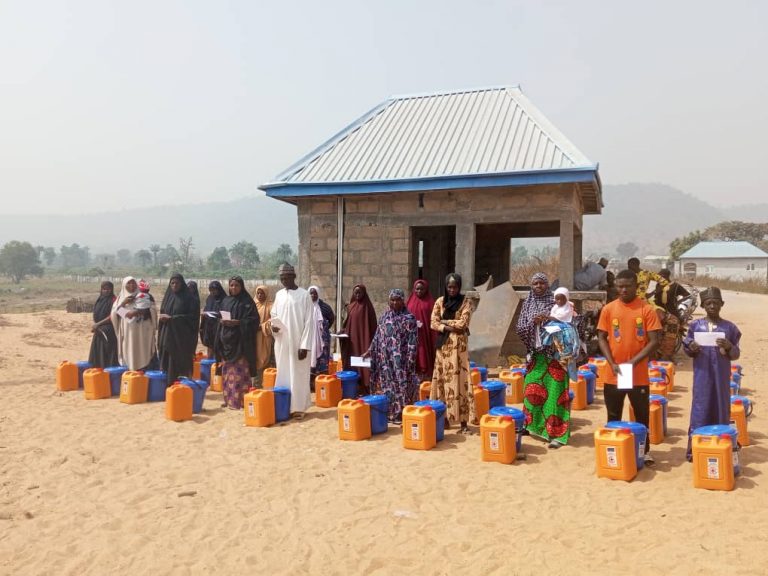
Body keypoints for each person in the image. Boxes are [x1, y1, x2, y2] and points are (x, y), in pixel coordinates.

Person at [597, 269, 662, 465]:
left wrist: (633, 362)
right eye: (620, 286)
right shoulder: (608, 309)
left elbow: (654, 341)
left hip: (637, 373)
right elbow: (601, 337)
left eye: (627, 286)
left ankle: (644, 451)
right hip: (614, 372)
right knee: (614, 414)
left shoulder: (646, 309)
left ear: (636, 286)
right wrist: (612, 363)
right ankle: (614, 451)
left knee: (641, 414)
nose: (623, 290)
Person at [683, 287, 741, 460]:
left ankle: (721, 445)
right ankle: (695, 449)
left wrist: (729, 346)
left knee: (721, 407)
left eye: (716, 303)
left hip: (721, 377)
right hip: (702, 376)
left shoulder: (729, 327)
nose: (712, 306)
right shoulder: (695, 326)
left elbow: (736, 354)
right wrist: (691, 347)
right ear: (702, 305)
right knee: (700, 408)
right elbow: (688, 350)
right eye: (708, 303)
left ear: (722, 304)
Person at [515, 273, 571, 448]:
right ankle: (531, 425)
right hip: (535, 356)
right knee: (532, 391)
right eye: (535, 283)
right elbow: (520, 327)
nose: (538, 286)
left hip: (554, 356)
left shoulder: (558, 302)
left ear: (547, 285)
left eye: (542, 283)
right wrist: (534, 323)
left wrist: (547, 320)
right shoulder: (527, 304)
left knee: (555, 394)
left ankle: (556, 434)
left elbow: (568, 324)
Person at [364, 288, 419, 424]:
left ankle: (400, 413)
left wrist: (410, 360)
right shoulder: (384, 317)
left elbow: (413, 341)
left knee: (401, 386)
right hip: (385, 359)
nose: (394, 303)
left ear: (403, 301)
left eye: (398, 300)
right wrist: (370, 350)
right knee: (387, 385)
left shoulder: (409, 318)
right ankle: (389, 412)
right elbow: (377, 336)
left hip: (401, 361)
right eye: (392, 300)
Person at [430, 273, 474, 433]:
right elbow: (433, 323)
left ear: (459, 287)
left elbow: (464, 323)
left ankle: (463, 423)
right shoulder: (440, 302)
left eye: (455, 286)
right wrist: (448, 327)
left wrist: (444, 322)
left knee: (460, 382)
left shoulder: (466, 301)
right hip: (443, 348)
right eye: (449, 287)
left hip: (458, 349)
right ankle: (445, 419)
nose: (452, 289)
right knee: (443, 381)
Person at [271, 264, 314, 417]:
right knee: (283, 374)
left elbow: (309, 322)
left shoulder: (304, 295)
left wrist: (304, 346)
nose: (284, 281)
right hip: (282, 343)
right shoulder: (279, 295)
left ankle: (299, 408)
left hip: (298, 344)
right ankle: (284, 407)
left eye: (287, 278)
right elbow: (273, 315)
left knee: (298, 375)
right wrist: (273, 328)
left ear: (294, 277)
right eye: (282, 278)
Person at [215, 276, 259, 409]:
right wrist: (222, 321)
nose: (233, 288)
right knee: (227, 374)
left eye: (236, 286)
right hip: (227, 342)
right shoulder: (226, 301)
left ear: (241, 287)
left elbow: (254, 320)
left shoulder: (247, 302)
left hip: (241, 343)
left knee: (240, 373)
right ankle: (228, 399)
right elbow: (219, 316)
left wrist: (238, 323)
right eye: (231, 285)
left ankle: (240, 401)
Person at [157, 273, 199, 386]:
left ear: (182, 284)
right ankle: (169, 388)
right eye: (172, 283)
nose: (174, 285)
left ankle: (182, 388)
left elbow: (193, 318)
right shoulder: (168, 297)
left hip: (181, 339)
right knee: (167, 362)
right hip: (167, 335)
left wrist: (173, 319)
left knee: (180, 362)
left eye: (177, 283)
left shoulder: (189, 299)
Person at [111, 276, 158, 371]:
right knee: (129, 352)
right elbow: (115, 313)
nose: (131, 285)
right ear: (124, 285)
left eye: (133, 283)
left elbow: (152, 310)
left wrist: (140, 311)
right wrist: (124, 303)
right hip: (128, 332)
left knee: (143, 351)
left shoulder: (143, 295)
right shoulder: (121, 298)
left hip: (143, 331)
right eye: (129, 283)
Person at [340, 284, 378, 394]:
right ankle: (353, 388)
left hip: (364, 341)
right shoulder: (350, 307)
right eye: (355, 292)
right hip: (352, 342)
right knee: (352, 364)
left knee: (364, 364)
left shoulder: (368, 307)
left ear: (364, 293)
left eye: (359, 292)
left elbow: (373, 326)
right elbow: (346, 324)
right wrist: (342, 332)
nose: (357, 295)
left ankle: (365, 387)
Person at [406, 279, 437, 382]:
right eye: (417, 289)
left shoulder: (430, 302)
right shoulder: (410, 301)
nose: (419, 291)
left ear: (426, 289)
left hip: (425, 334)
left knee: (424, 354)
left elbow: (434, 318)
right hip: (412, 335)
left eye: (422, 289)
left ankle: (426, 378)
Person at [88, 281, 118, 368]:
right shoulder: (100, 299)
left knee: (107, 353)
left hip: (109, 331)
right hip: (99, 330)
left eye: (108, 289)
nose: (106, 291)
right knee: (97, 353)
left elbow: (114, 315)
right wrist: (96, 325)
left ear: (111, 290)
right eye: (104, 289)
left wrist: (98, 324)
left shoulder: (114, 300)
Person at [308, 286, 335, 382]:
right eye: (311, 293)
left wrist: (323, 330)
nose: (313, 295)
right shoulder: (306, 306)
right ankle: (311, 383)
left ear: (318, 294)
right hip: (309, 339)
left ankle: (322, 383)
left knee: (322, 359)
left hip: (322, 340)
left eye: (315, 293)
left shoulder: (325, 307)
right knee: (310, 359)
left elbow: (332, 318)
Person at [253, 285, 275, 387]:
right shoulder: (253, 305)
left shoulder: (271, 306)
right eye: (258, 293)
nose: (260, 295)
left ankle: (266, 385)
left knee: (265, 359)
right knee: (255, 359)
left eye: (262, 293)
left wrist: (261, 327)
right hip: (254, 338)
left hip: (265, 337)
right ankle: (256, 385)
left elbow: (274, 321)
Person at [200, 281, 226, 358]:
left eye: (214, 290)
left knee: (219, 347)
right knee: (210, 347)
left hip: (219, 327)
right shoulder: (209, 298)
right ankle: (210, 364)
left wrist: (214, 314)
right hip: (209, 327)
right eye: (211, 290)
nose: (213, 292)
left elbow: (225, 313)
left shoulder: (225, 299)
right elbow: (206, 309)